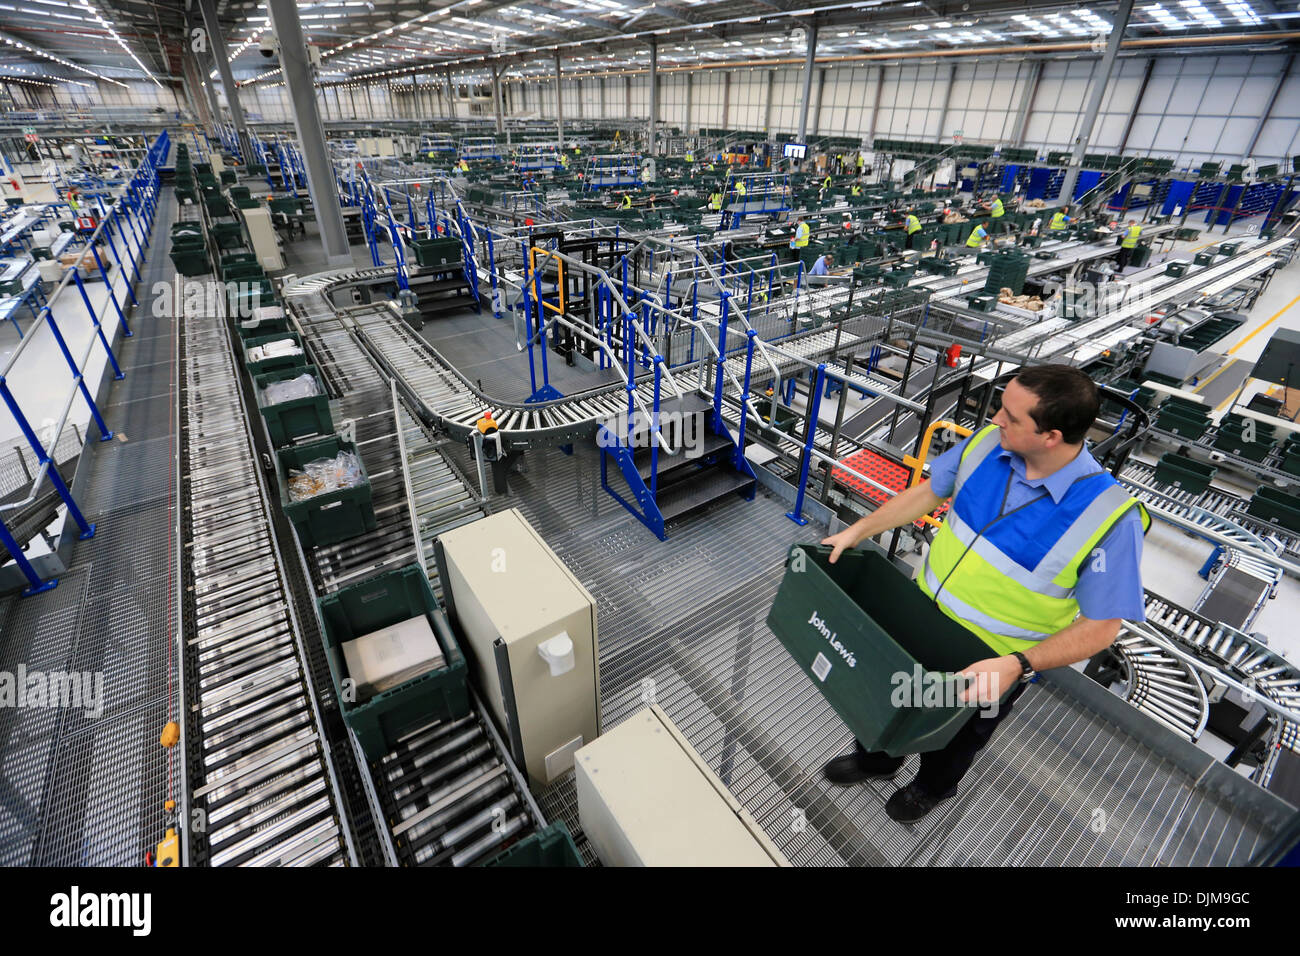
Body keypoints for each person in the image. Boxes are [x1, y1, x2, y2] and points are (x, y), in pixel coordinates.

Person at [819, 366, 1149, 821]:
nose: (995, 419)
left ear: (1051, 436)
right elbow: (928, 493)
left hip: (991, 660)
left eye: (1011, 417)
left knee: (957, 736)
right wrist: (858, 530)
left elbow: (1101, 627)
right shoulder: (986, 446)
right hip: (918, 619)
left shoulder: (1110, 518)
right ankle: (877, 759)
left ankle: (930, 788)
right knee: (889, 697)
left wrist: (1019, 665)